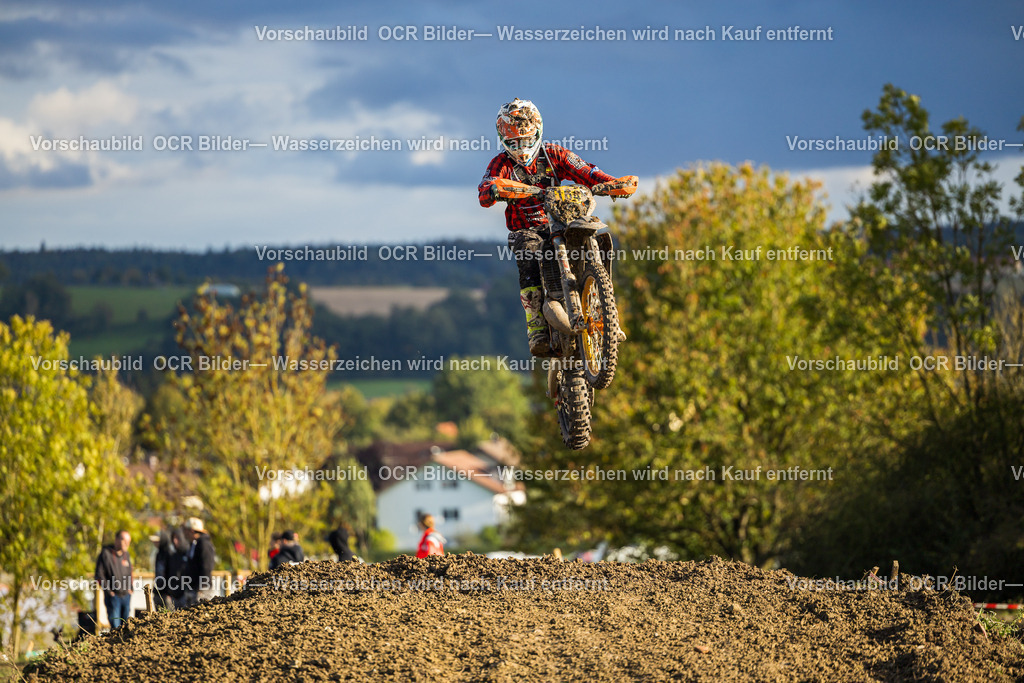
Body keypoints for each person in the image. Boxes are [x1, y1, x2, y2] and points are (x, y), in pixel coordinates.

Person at [478, 98, 637, 355]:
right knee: (527, 254)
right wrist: (494, 189)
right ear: (503, 141)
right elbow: (484, 191)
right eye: (514, 143)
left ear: (538, 133)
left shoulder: (555, 154)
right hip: (527, 229)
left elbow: (586, 170)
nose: (521, 148)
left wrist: (613, 183)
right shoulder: (501, 165)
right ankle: (536, 325)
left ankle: (608, 313)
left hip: (562, 220)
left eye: (527, 140)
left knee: (595, 236)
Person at [94, 530, 133, 628]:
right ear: (116, 540)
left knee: (126, 627)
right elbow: (99, 575)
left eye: (128, 541)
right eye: (124, 540)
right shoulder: (105, 554)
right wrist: (109, 591)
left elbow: (130, 573)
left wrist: (130, 589)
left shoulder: (126, 555)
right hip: (113, 597)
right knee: (116, 627)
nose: (127, 544)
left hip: (126, 596)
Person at [183, 517, 216, 604]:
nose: (184, 533)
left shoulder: (204, 544)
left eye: (186, 530)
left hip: (202, 589)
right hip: (194, 588)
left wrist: (202, 586)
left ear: (192, 531)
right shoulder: (194, 544)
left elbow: (207, 566)